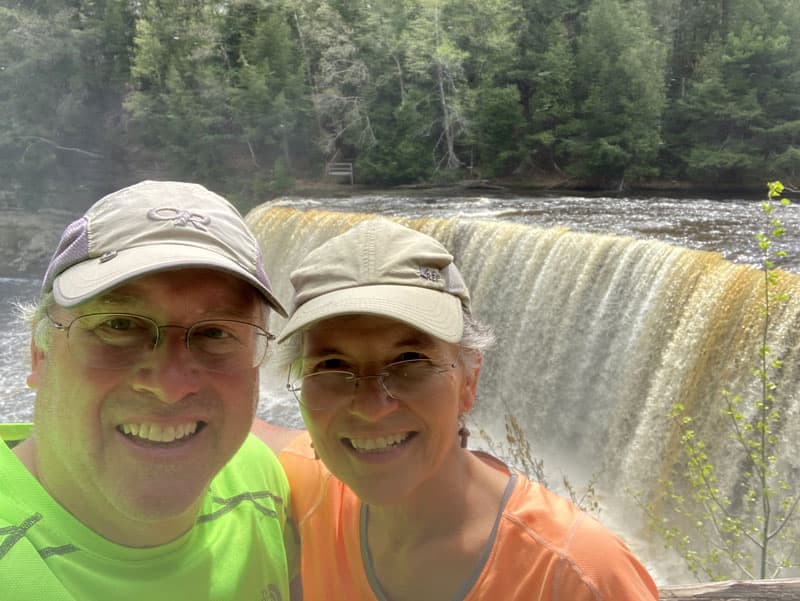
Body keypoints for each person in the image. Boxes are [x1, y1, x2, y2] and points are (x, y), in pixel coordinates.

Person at [270, 218, 659, 601]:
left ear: (468, 381)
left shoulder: (577, 577)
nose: (372, 408)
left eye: (410, 360)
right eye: (333, 366)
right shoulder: (306, 489)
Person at [0, 180, 299, 601]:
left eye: (215, 333)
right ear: (39, 354)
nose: (170, 386)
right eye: (118, 325)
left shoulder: (259, 479)